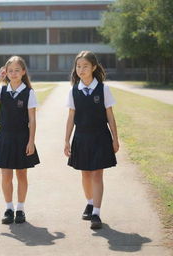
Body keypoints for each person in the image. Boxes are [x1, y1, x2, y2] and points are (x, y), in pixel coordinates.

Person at [64, 51, 119, 229]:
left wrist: (115, 139)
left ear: (94, 67)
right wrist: (66, 140)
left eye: (85, 66)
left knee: (97, 174)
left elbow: (110, 115)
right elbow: (71, 117)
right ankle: (89, 202)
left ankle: (96, 212)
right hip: (81, 136)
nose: (81, 69)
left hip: (100, 136)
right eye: (78, 66)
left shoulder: (104, 89)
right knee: (85, 173)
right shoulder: (73, 91)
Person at [0, 56, 40, 224]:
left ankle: (20, 209)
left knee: (21, 174)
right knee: (6, 175)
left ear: (23, 72)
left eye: (17, 70)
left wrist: (31, 141)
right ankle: (9, 208)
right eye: (10, 71)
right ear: (5, 73)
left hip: (22, 137)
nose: (13, 73)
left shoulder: (29, 92)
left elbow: (33, 120)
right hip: (5, 137)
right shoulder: (2, 90)